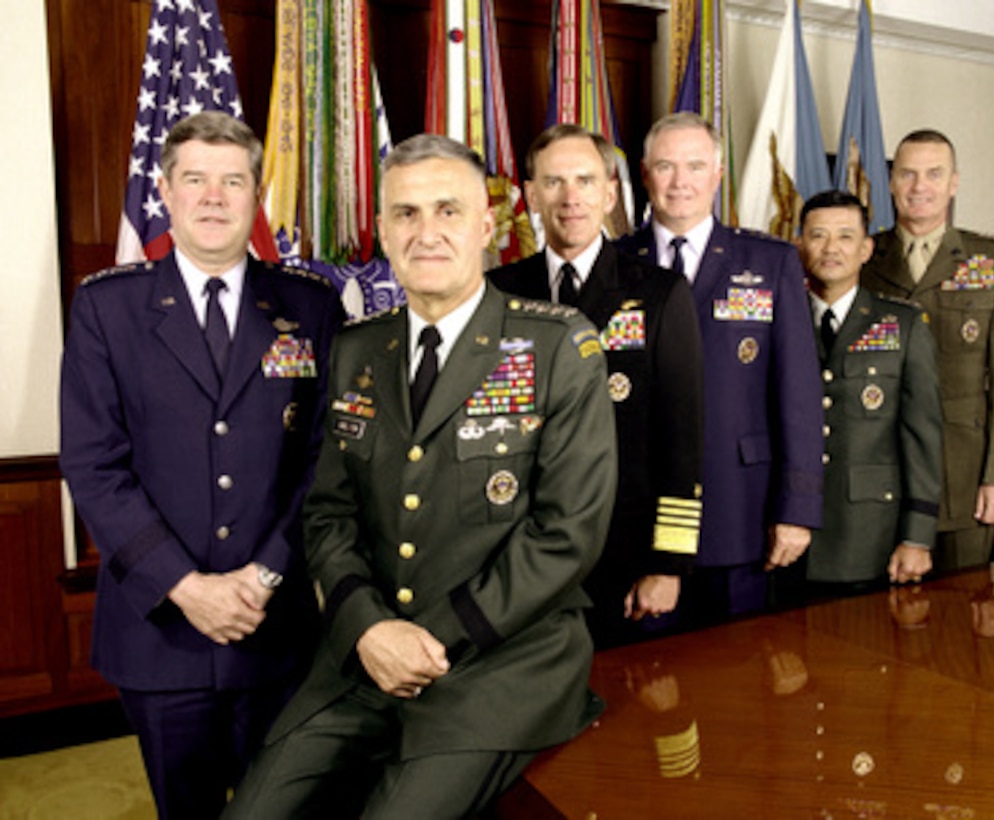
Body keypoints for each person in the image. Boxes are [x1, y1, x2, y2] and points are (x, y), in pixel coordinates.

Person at [223, 134, 618, 818]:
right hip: (366, 653)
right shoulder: (357, 348)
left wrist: (429, 639)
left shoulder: (559, 344)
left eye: (447, 211)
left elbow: (567, 534)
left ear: (488, 225)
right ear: (381, 228)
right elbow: (328, 514)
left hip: (499, 661)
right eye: (405, 214)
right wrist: (369, 630)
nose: (425, 232)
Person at [59, 112, 345, 819]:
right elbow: (93, 464)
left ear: (256, 195)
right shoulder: (107, 306)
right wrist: (186, 587)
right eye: (195, 180)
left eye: (232, 181)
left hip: (272, 622)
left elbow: (327, 454)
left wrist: (263, 575)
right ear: (165, 190)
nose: (213, 198)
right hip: (161, 631)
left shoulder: (308, 305)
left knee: (284, 807)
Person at [489, 123, 703, 647]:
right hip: (519, 554)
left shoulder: (658, 292)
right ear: (532, 195)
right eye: (554, 182)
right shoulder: (499, 292)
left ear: (610, 193)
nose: (570, 198)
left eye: (585, 181)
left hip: (624, 555)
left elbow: (682, 439)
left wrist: (667, 563)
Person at [622, 112, 823, 618]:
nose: (680, 181)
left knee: (738, 677)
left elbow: (798, 395)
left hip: (741, 509)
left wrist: (797, 510)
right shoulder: (615, 264)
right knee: (646, 680)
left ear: (717, 174)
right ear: (645, 174)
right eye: (666, 166)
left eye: (695, 165)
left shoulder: (770, 261)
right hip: (638, 515)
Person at [862, 129, 994, 570]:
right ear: (891, 182)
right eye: (908, 174)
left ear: (954, 182)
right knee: (872, 623)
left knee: (963, 613)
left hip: (961, 475)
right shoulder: (863, 258)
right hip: (877, 472)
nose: (920, 186)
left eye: (934, 174)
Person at [792, 190, 942, 592]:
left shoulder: (903, 325)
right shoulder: (777, 321)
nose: (830, 248)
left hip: (868, 531)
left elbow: (922, 438)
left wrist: (917, 535)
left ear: (866, 248)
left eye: (844, 236)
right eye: (818, 235)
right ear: (799, 244)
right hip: (786, 532)